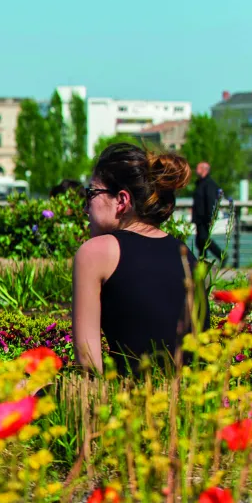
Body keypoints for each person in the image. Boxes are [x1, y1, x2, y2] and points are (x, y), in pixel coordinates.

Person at [71, 143, 205, 377]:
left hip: (128, 403)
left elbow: (88, 365)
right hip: (188, 402)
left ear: (121, 200)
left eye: (91, 194)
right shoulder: (186, 254)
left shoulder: (96, 252)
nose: (85, 208)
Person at [191, 161, 224, 262]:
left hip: (205, 217)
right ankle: (202, 262)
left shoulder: (209, 183)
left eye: (198, 168)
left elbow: (210, 201)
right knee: (200, 241)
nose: (196, 170)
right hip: (199, 217)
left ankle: (222, 255)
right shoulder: (200, 183)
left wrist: (210, 217)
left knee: (204, 239)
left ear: (204, 170)